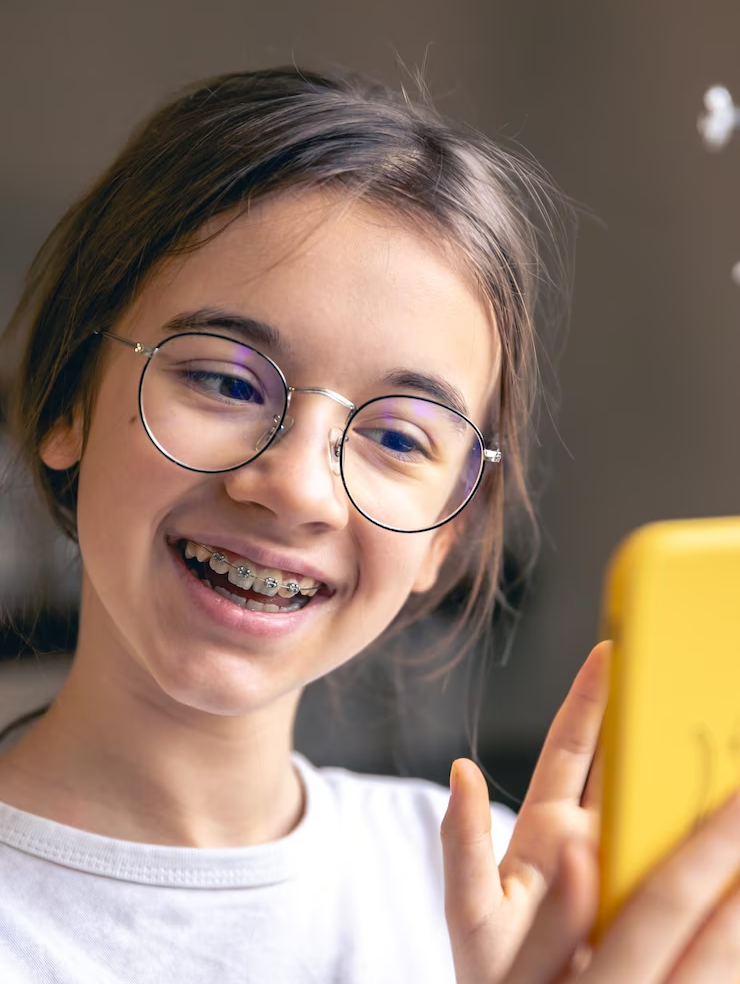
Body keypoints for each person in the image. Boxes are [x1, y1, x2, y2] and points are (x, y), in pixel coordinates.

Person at [0, 67, 737, 984]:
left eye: (397, 436)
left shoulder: (517, 907)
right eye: (226, 381)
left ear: (447, 536)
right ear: (68, 396)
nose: (300, 488)